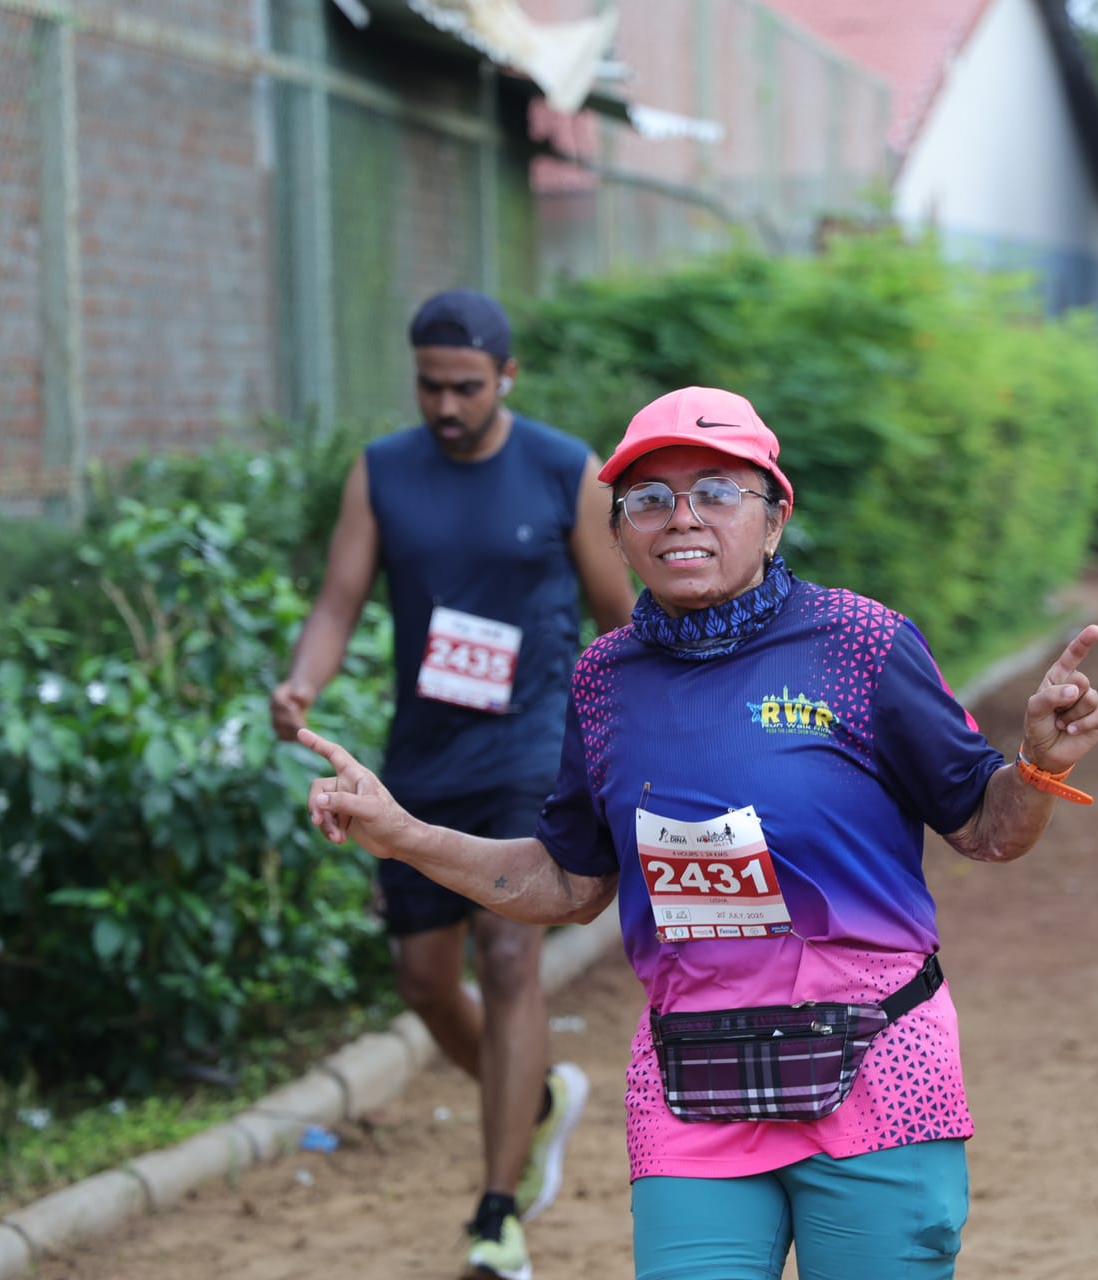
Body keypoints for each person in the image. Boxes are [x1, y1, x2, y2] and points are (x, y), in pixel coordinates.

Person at [295, 385, 1098, 1279]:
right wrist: (403, 833)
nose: (680, 518)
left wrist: (1037, 766)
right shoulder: (606, 682)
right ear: (618, 531)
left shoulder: (861, 644)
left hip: (879, 1072)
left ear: (773, 515)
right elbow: (568, 884)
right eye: (648, 499)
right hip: (696, 1087)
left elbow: (987, 831)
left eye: (717, 492)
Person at [270, 290, 637, 1279]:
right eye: (430, 384)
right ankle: (537, 1101)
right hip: (421, 762)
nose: (445, 404)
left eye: (466, 386)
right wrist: (306, 677)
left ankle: (495, 1210)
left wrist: (622, 746)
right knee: (425, 982)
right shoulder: (384, 472)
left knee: (512, 962)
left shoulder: (567, 469)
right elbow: (341, 596)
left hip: (531, 754)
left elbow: (619, 617)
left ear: (506, 378)